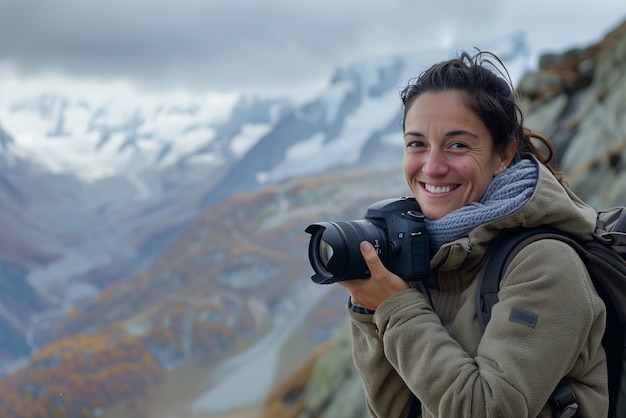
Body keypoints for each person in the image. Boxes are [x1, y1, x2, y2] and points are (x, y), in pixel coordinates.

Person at [338, 50, 608, 417]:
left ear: (504, 155)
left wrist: (395, 307)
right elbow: (395, 412)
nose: (432, 167)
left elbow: (487, 410)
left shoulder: (545, 263)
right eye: (416, 143)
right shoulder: (422, 252)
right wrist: (367, 310)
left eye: (458, 145)